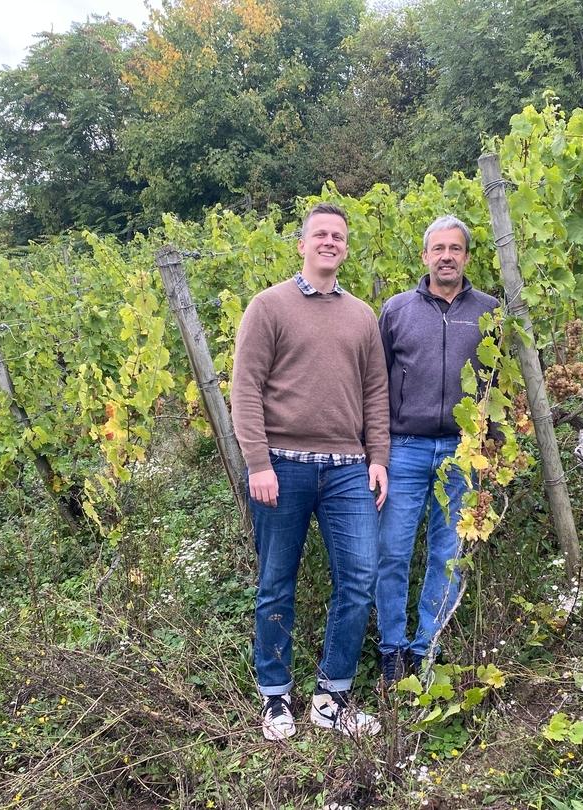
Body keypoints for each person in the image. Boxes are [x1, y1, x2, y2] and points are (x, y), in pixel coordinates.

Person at [230, 202, 390, 741]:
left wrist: (379, 458)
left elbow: (375, 393)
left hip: (348, 469)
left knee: (360, 578)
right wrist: (257, 462)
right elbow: (245, 388)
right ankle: (275, 698)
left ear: (346, 247)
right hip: (283, 467)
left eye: (338, 236)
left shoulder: (362, 315)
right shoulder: (268, 307)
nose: (329, 242)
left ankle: (331, 695)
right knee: (277, 583)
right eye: (319, 234)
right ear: (301, 244)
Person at [375, 215, 499, 684]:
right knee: (391, 551)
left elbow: (504, 383)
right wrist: (377, 449)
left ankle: (428, 646)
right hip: (403, 448)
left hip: (464, 451)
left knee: (447, 553)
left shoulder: (490, 311)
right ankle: (391, 648)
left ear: (467, 257)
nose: (446, 256)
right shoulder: (396, 310)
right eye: (438, 248)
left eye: (456, 248)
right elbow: (374, 383)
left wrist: (495, 451)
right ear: (425, 255)